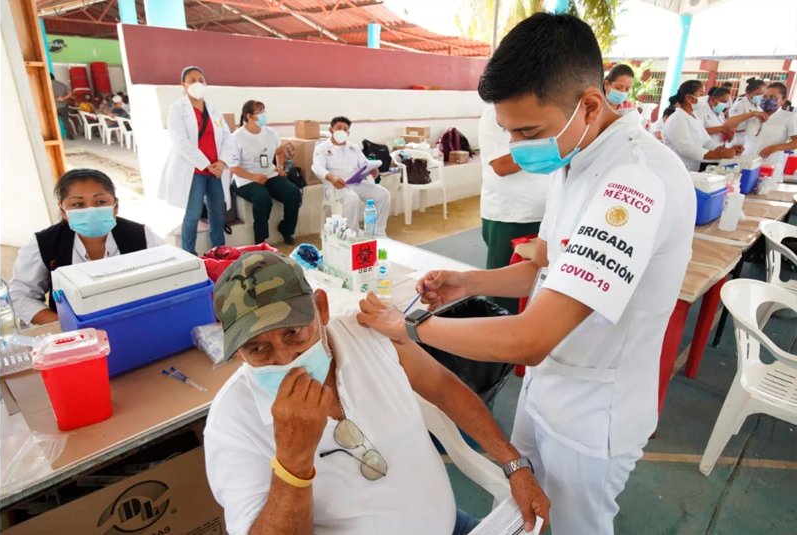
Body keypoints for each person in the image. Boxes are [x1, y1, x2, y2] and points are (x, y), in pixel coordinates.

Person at [356, 13, 696, 535]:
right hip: (547, 392)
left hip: (591, 413)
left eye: (527, 131)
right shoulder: (576, 157)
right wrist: (471, 283)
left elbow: (532, 337)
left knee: (574, 526)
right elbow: (550, 273)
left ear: (587, 103)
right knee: (528, 514)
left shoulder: (636, 182)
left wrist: (412, 330)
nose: (516, 145)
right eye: (509, 130)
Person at [204, 251, 550, 535]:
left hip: (449, 525)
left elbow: (443, 388)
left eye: (294, 334)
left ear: (321, 309)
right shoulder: (232, 423)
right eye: (258, 350)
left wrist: (513, 463)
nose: (285, 360)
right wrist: (292, 464)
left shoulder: (365, 333)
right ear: (237, 352)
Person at [8, 169, 164, 326]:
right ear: (63, 211)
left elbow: (177, 276)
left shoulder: (142, 236)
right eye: (78, 204)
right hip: (75, 337)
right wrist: (65, 325)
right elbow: (20, 295)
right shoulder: (44, 244)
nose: (91, 211)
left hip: (138, 323)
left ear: (115, 206)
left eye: (100, 202)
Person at [478, 103, 550, 313]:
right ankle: (493, 339)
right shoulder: (496, 112)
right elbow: (502, 165)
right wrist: (545, 148)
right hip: (510, 216)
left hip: (545, 213)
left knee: (538, 289)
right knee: (503, 297)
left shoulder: (545, 106)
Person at [159, 66, 234, 255]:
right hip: (195, 171)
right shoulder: (177, 109)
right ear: (183, 85)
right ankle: (189, 254)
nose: (197, 83)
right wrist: (206, 164)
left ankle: (219, 251)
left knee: (217, 212)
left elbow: (227, 136)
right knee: (192, 214)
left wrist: (223, 162)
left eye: (200, 79)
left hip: (216, 170)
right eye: (192, 80)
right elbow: (180, 141)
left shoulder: (213, 109)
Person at [230, 100, 301, 245]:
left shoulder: (270, 133)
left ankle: (286, 229)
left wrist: (280, 166)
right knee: (263, 199)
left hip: (269, 173)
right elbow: (233, 167)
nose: (263, 115)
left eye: (264, 111)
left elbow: (279, 151)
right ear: (249, 116)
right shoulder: (236, 137)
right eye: (259, 112)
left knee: (293, 193)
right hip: (245, 178)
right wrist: (253, 177)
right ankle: (261, 240)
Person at [312, 117, 390, 236]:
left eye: (345, 129)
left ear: (348, 132)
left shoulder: (354, 148)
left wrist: (372, 170)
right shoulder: (321, 148)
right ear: (331, 130)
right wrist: (331, 177)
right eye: (339, 128)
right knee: (352, 198)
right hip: (337, 186)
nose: (342, 131)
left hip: (356, 183)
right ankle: (352, 235)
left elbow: (365, 164)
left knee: (383, 194)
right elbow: (317, 167)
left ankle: (379, 232)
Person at [662, 80, 741, 171]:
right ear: (689, 98)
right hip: (678, 168)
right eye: (701, 95)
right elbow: (686, 148)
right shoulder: (677, 119)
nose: (704, 98)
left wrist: (725, 150)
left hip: (692, 168)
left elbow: (706, 141)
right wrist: (719, 155)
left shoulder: (694, 117)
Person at [742, 82, 797, 178]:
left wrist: (774, 148)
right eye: (765, 96)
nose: (767, 99)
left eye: (772, 97)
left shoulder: (789, 117)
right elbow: (729, 126)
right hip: (746, 164)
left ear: (783, 100)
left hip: (770, 166)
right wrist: (752, 114)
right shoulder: (754, 113)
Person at [698, 87, 765, 147]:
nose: (724, 104)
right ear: (712, 99)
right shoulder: (700, 111)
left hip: (718, 148)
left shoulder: (720, 113)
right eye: (722, 101)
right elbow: (696, 131)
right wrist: (721, 129)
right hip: (704, 149)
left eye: (726, 102)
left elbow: (724, 127)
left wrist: (728, 134)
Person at [729, 77, 766, 146]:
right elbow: (732, 123)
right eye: (757, 94)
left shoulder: (757, 103)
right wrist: (751, 114)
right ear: (748, 93)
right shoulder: (740, 104)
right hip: (740, 138)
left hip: (752, 137)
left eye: (762, 94)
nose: (760, 96)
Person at [50, 73, 74, 140]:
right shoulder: (62, 84)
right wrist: (63, 98)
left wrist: (55, 99)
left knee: (54, 122)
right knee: (65, 121)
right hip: (63, 106)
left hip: (53, 107)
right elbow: (70, 93)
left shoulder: (47, 85)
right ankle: (70, 136)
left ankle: (55, 137)